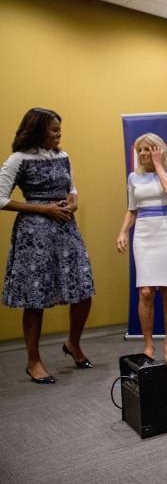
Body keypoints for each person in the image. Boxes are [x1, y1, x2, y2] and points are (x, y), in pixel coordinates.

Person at [1, 108, 95, 383]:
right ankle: (33, 361)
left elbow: (72, 189)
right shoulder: (18, 159)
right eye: (54, 130)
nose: (59, 134)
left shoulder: (63, 157)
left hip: (66, 230)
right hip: (35, 235)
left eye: (59, 130)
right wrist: (43, 209)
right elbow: (0, 198)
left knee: (83, 289)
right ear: (39, 129)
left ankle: (73, 343)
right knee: (35, 297)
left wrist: (73, 202)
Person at [116, 133, 167, 366]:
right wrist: (123, 231)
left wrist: (157, 165)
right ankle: (148, 344)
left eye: (148, 149)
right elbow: (132, 209)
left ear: (159, 150)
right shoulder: (134, 177)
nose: (143, 154)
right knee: (145, 292)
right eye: (140, 150)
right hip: (144, 233)